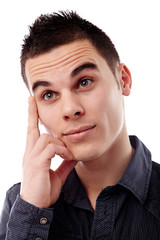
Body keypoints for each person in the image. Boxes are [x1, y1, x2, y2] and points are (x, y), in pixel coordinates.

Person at [0, 10, 160, 240]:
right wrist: (32, 211)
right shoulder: (21, 202)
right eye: (48, 95)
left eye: (84, 82)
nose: (70, 109)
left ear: (123, 80)